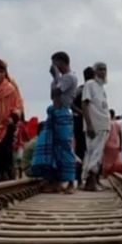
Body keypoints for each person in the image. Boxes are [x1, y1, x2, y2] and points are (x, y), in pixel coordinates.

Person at [30, 52, 80, 193]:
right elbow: (53, 96)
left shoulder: (69, 77)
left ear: (62, 62)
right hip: (56, 113)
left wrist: (56, 77)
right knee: (53, 148)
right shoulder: (60, 79)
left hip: (63, 113)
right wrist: (56, 79)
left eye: (55, 63)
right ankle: (55, 180)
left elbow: (57, 94)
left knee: (65, 147)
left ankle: (70, 181)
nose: (53, 66)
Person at [82, 62, 111, 190]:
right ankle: (91, 182)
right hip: (95, 125)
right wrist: (89, 125)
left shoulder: (101, 87)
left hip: (103, 124)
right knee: (93, 153)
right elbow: (84, 104)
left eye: (105, 69)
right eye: (100, 69)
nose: (103, 72)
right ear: (94, 71)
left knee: (97, 154)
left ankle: (94, 181)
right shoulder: (90, 84)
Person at [73, 66, 95, 178]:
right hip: (81, 121)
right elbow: (71, 104)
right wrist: (82, 113)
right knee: (85, 149)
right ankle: (82, 176)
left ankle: (82, 177)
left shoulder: (81, 89)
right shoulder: (82, 89)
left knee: (83, 149)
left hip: (81, 121)